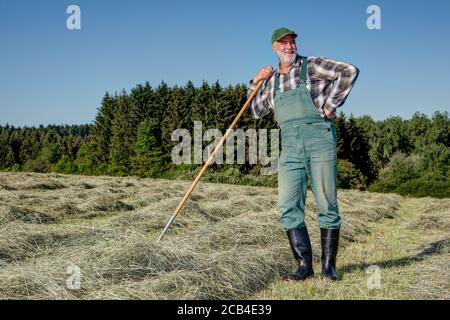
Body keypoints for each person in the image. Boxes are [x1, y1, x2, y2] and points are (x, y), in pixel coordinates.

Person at [248, 27, 359, 281]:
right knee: (288, 205)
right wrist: (255, 82)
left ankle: (329, 268)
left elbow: (349, 71)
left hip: (318, 138)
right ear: (274, 47)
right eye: (283, 43)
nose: (289, 47)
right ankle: (303, 266)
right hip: (289, 145)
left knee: (327, 203)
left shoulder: (311, 66)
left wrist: (330, 107)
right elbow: (255, 111)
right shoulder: (272, 80)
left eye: (292, 42)